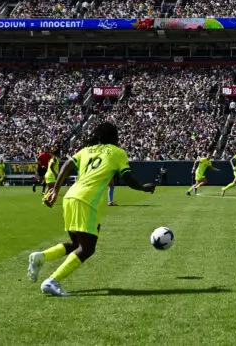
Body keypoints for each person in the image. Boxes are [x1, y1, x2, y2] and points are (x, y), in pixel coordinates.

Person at [27, 121, 155, 297]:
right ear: (113, 137)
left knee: (76, 244)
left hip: (70, 197)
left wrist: (55, 190)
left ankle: (40, 256)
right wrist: (144, 188)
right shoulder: (118, 153)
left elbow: (66, 165)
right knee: (87, 248)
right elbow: (128, 179)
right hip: (86, 201)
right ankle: (52, 281)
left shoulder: (86, 150)